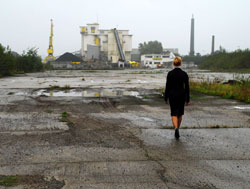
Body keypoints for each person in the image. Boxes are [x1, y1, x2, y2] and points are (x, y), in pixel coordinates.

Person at [164, 56, 190, 139]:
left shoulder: (170, 73)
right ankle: (178, 128)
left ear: (173, 63)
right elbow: (187, 87)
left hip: (172, 95)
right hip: (181, 95)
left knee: (173, 113)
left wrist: (166, 97)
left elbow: (167, 86)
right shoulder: (184, 74)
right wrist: (187, 99)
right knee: (180, 113)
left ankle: (175, 129)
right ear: (180, 63)